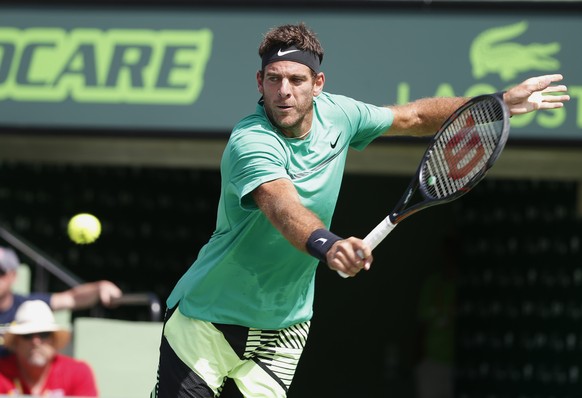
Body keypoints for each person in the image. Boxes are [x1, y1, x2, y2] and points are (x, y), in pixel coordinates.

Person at [151, 23, 570, 398]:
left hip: (284, 326)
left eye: (296, 80)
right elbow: (281, 206)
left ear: (317, 83)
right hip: (207, 317)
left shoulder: (341, 114)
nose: (284, 92)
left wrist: (494, 105)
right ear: (259, 81)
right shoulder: (250, 141)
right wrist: (328, 246)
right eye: (274, 79)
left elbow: (415, 115)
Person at [0, 245, 123, 356]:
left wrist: (99, 287)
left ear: (13, 276)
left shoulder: (28, 306)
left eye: (1, 271)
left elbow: (71, 298)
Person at [0, 300, 98, 396]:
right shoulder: (2, 372)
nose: (36, 341)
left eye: (44, 334)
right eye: (27, 335)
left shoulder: (78, 373)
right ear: (16, 341)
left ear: (54, 339)